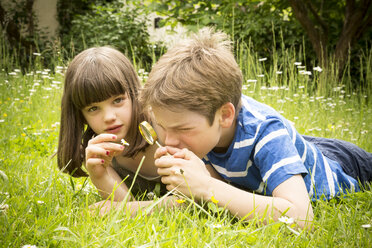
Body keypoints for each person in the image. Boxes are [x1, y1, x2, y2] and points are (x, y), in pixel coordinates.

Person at [140, 28, 372, 229]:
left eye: (182, 129)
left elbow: (302, 218)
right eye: (163, 127)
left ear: (225, 116)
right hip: (299, 151)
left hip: (347, 165)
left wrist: (206, 186)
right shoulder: (200, 128)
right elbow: (207, 196)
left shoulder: (265, 132)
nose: (169, 141)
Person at [57, 46, 171, 214]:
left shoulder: (165, 127)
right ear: (80, 116)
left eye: (118, 100)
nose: (109, 116)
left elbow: (196, 199)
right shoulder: (99, 152)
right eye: (93, 108)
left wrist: (126, 210)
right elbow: (127, 205)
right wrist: (100, 176)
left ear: (134, 94)